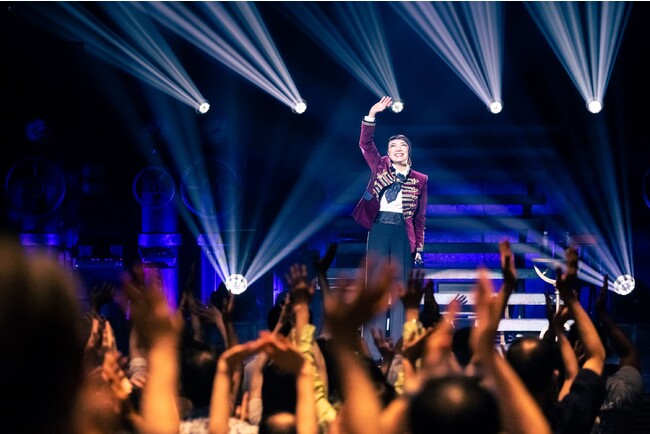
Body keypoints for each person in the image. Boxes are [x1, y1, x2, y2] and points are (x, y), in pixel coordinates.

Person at [353, 95, 429, 358]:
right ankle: (372, 351)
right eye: (393, 146)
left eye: (402, 146)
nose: (397, 149)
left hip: (402, 233)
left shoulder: (420, 179)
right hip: (379, 227)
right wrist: (372, 113)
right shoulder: (380, 165)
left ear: (409, 152)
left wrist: (419, 247)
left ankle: (398, 350)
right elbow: (365, 143)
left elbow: (420, 217)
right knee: (374, 288)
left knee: (399, 291)